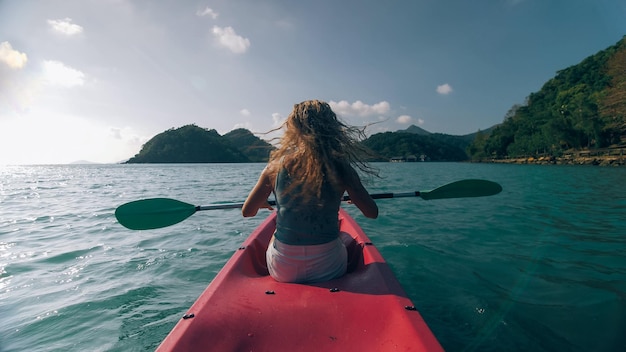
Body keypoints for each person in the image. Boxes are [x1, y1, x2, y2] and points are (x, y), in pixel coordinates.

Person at [242, 100, 378, 283]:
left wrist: (261, 201)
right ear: (331, 128)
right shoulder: (342, 168)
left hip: (283, 269)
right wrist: (356, 196)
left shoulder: (273, 168)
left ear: (294, 129)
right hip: (329, 266)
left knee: (274, 237)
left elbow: (247, 212)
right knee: (344, 237)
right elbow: (371, 213)